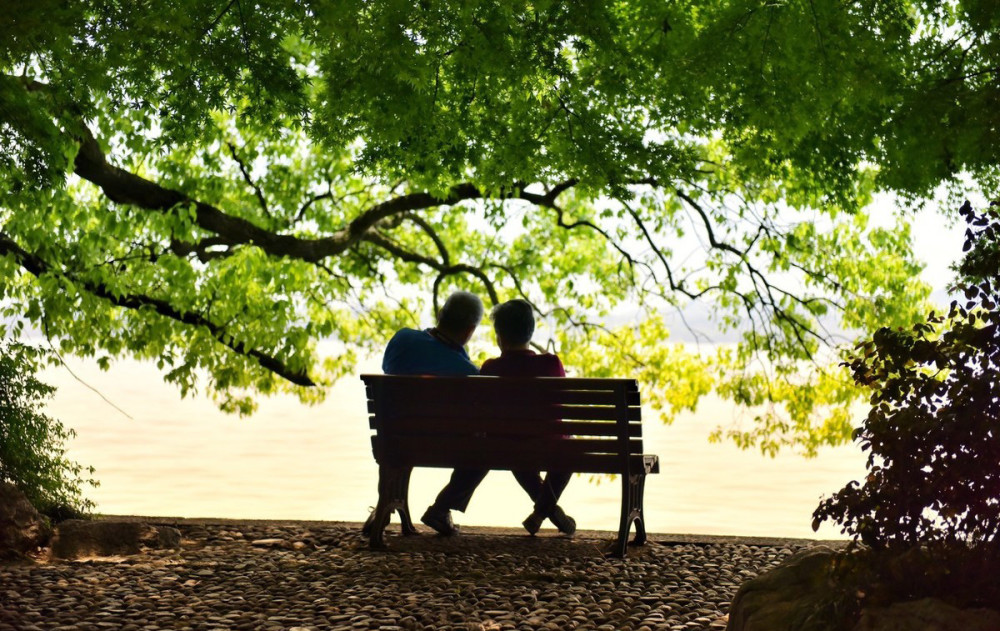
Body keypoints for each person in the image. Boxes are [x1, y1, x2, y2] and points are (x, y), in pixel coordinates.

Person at [381, 290, 487, 536]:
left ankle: (385, 504)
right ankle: (441, 508)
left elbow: (387, 367)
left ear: (440, 315)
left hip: (396, 440)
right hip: (450, 447)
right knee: (485, 447)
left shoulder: (401, 341)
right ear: (470, 331)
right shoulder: (467, 371)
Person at [480, 299, 576, 536]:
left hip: (506, 448)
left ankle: (542, 512)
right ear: (531, 331)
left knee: (514, 450)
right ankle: (544, 512)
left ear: (499, 336)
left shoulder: (490, 369)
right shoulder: (551, 363)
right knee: (569, 449)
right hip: (548, 446)